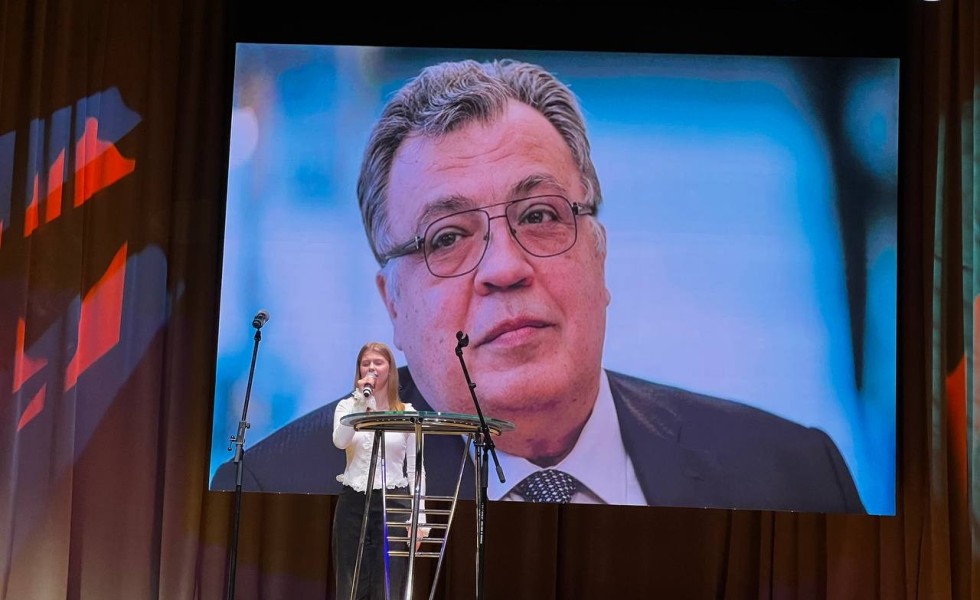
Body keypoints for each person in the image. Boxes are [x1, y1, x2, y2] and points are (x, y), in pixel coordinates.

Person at [212, 57, 865, 514]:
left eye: (540, 217)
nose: (505, 268)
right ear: (394, 305)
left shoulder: (796, 474)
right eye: (448, 237)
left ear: (599, 255)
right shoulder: (273, 497)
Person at [331, 342, 427, 600]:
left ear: (390, 369)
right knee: (351, 585)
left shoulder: (407, 413)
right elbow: (340, 441)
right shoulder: (347, 408)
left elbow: (416, 468)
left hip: (393, 503)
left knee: (389, 585)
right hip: (354, 502)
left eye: (378, 362)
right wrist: (360, 403)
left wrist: (419, 517)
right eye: (366, 363)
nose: (371, 368)